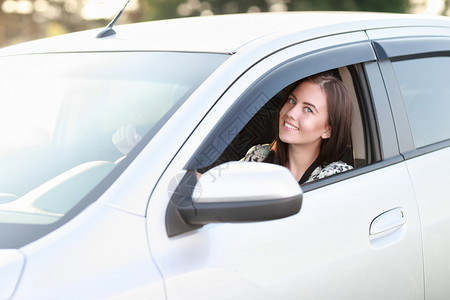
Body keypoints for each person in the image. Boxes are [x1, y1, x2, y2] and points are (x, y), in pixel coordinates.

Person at [240, 72, 353, 184]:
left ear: (328, 130)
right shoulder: (258, 156)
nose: (291, 113)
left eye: (308, 109)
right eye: (292, 101)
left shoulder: (337, 178)